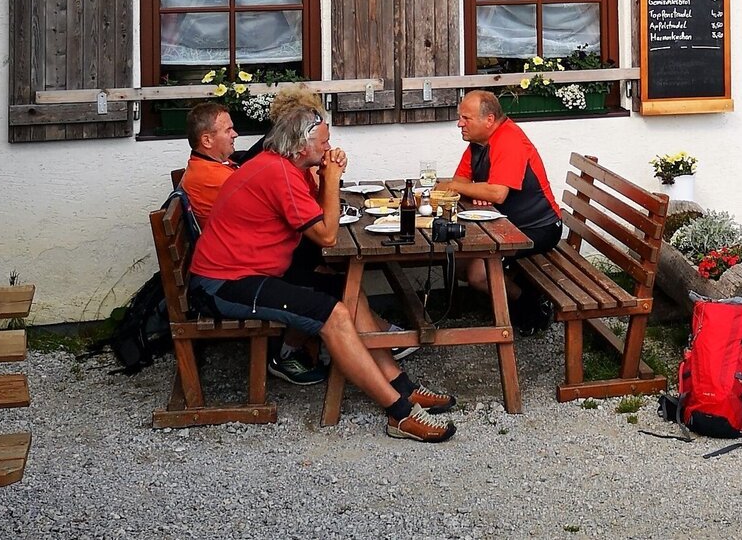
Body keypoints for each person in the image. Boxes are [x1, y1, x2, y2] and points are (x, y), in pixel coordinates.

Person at [187, 104, 457, 442]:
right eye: (324, 142)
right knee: (334, 314)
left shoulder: (285, 167)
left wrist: (322, 176)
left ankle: (401, 385)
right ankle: (399, 413)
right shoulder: (278, 173)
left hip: (256, 272)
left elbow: (315, 213)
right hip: (224, 283)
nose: (330, 148)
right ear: (302, 145)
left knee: (348, 289)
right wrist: (332, 178)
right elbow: (327, 235)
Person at [440, 90, 562, 333]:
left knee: (478, 274)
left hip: (538, 227)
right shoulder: (478, 143)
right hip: (506, 226)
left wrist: (474, 189)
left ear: (489, 120)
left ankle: (531, 305)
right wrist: (476, 190)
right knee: (457, 261)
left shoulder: (509, 140)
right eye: (460, 117)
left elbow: (496, 193)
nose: (459, 124)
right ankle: (514, 298)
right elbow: (461, 181)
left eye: (466, 118)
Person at [180, 102, 239, 223]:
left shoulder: (201, 164)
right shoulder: (214, 177)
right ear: (207, 140)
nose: (235, 134)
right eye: (228, 130)